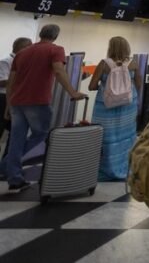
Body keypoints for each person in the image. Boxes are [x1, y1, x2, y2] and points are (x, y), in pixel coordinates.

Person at [1, 25, 86, 191]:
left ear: (40, 34)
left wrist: (8, 105)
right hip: (37, 101)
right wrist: (73, 92)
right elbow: (59, 71)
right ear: (56, 36)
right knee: (41, 135)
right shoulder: (56, 50)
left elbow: (11, 81)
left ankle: (14, 176)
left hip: (17, 102)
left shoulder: (22, 53)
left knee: (16, 140)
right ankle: (6, 166)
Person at [88, 36, 141, 180]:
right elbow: (139, 85)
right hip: (128, 107)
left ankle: (104, 169)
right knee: (127, 137)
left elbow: (92, 86)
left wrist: (106, 88)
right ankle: (125, 167)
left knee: (105, 137)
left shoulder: (104, 64)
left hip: (106, 107)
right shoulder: (133, 64)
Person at [0, 38, 33, 150]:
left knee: (14, 132)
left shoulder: (23, 62)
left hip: (17, 100)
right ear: (23, 48)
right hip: (3, 99)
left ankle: (6, 161)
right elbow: (1, 82)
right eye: (30, 48)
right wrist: (18, 77)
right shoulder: (6, 61)